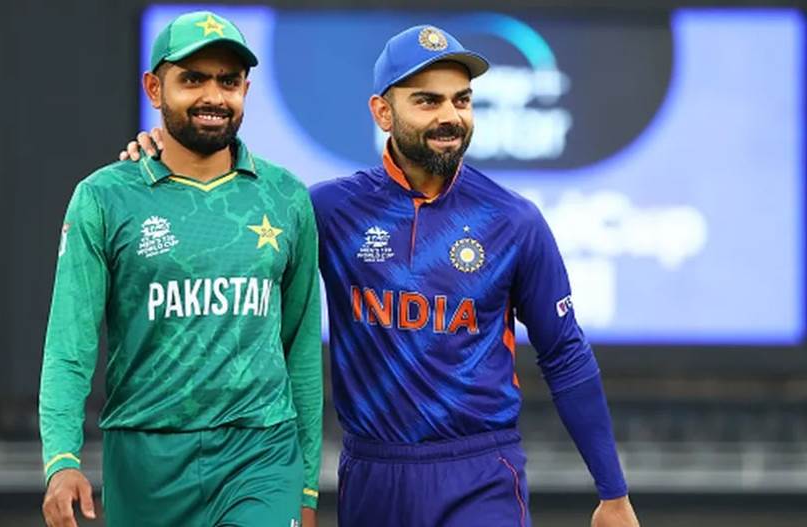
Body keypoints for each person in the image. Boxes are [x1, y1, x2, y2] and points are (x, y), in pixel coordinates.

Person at [125, 23, 638, 527]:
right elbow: (228, 218)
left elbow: (565, 355)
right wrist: (164, 153)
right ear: (382, 112)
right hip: (373, 475)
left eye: (461, 100)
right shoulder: (328, 209)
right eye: (427, 101)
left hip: (481, 472)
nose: (450, 117)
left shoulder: (513, 220)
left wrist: (612, 492)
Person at [40, 11, 322, 527]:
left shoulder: (285, 196)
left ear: (245, 90)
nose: (214, 96)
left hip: (259, 452)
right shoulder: (104, 197)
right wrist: (61, 459)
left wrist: (305, 486)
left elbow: (301, 346)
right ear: (153, 87)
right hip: (146, 459)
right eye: (193, 79)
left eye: (228, 81)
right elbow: (69, 343)